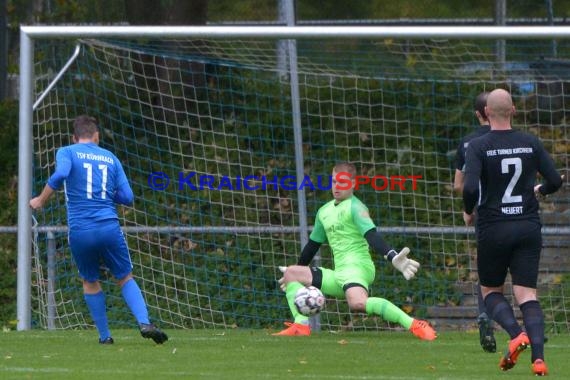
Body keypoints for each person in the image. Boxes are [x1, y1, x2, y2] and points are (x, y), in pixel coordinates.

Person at [30, 115, 168, 345]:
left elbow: (61, 174)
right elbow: (128, 197)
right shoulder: (110, 157)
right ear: (96, 136)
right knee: (124, 277)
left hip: (81, 230)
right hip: (108, 227)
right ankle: (144, 322)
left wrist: (40, 200)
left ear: (74, 137)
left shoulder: (67, 151)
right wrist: (104, 193)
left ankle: (105, 337)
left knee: (90, 281)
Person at [273, 162, 437, 340]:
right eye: (334, 181)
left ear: (352, 184)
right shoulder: (324, 211)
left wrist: (392, 256)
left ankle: (414, 324)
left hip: (358, 267)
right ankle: (300, 326)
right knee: (290, 273)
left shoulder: (356, 207)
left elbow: (372, 236)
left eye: (342, 182)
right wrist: (297, 275)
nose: (337, 187)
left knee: (357, 303)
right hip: (339, 274)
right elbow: (312, 245)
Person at [463, 89, 562, 375]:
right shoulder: (530, 143)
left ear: (486, 113)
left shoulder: (479, 147)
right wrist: (540, 190)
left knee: (491, 291)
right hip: (527, 227)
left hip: (494, 228)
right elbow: (555, 180)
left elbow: (469, 187)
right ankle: (539, 359)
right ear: (514, 111)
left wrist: (469, 210)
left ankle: (516, 334)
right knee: (527, 295)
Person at [453, 91, 496, 353]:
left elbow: (459, 184)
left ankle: (485, 315)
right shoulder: (515, 139)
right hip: (515, 213)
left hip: (483, 213)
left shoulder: (468, 143)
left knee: (488, 270)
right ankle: (529, 326)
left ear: (478, 114)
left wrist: (468, 208)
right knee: (519, 271)